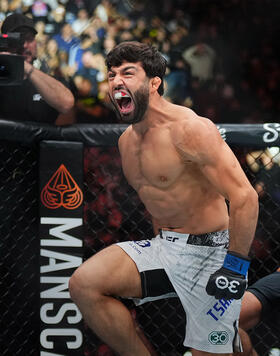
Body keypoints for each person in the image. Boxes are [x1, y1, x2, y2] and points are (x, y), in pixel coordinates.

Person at [69, 41, 259, 355]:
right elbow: (156, 206)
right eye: (112, 74)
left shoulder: (189, 129)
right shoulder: (126, 142)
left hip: (212, 254)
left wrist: (235, 267)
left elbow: (244, 197)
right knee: (84, 284)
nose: (117, 81)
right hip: (165, 246)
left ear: (154, 83)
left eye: (128, 73)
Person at [0, 13, 74, 124]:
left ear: (36, 42)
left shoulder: (49, 80)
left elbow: (66, 103)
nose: (24, 45)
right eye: (18, 40)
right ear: (5, 43)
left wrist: (25, 68)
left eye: (29, 39)